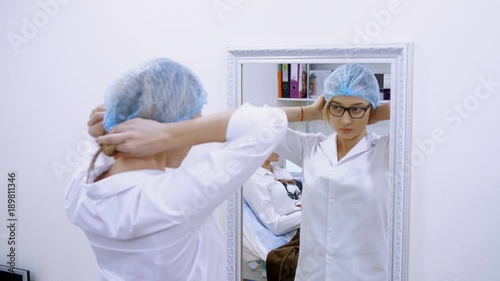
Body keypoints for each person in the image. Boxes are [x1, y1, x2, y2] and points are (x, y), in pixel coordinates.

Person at [65, 58, 287, 281]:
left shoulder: (81, 189)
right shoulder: (170, 200)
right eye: (189, 127)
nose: (190, 142)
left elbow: (94, 142)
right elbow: (270, 122)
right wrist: (170, 134)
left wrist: (111, 127)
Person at [277, 63, 391, 281]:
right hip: (313, 273)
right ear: (326, 107)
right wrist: (307, 112)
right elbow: (251, 123)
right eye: (336, 107)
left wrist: (377, 111)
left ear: (372, 108)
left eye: (356, 109)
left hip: (365, 274)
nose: (345, 120)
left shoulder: (386, 151)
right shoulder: (310, 147)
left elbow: (426, 109)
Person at [243, 152, 302, 236]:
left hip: (309, 223)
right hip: (297, 231)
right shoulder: (252, 179)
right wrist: (308, 214)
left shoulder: (281, 172)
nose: (278, 150)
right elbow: (275, 225)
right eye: (273, 145)